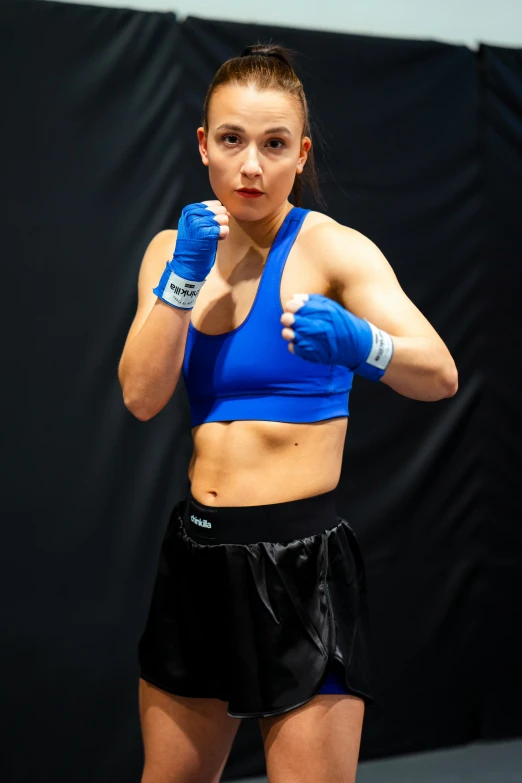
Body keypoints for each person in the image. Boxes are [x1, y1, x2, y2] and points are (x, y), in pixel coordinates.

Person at [118, 43, 458, 783]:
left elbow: (439, 374)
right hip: (197, 557)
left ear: (300, 155)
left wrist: (362, 343)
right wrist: (180, 282)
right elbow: (142, 396)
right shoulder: (173, 251)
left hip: (302, 568)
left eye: (274, 145)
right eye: (233, 140)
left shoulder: (333, 249)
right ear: (204, 144)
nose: (251, 166)